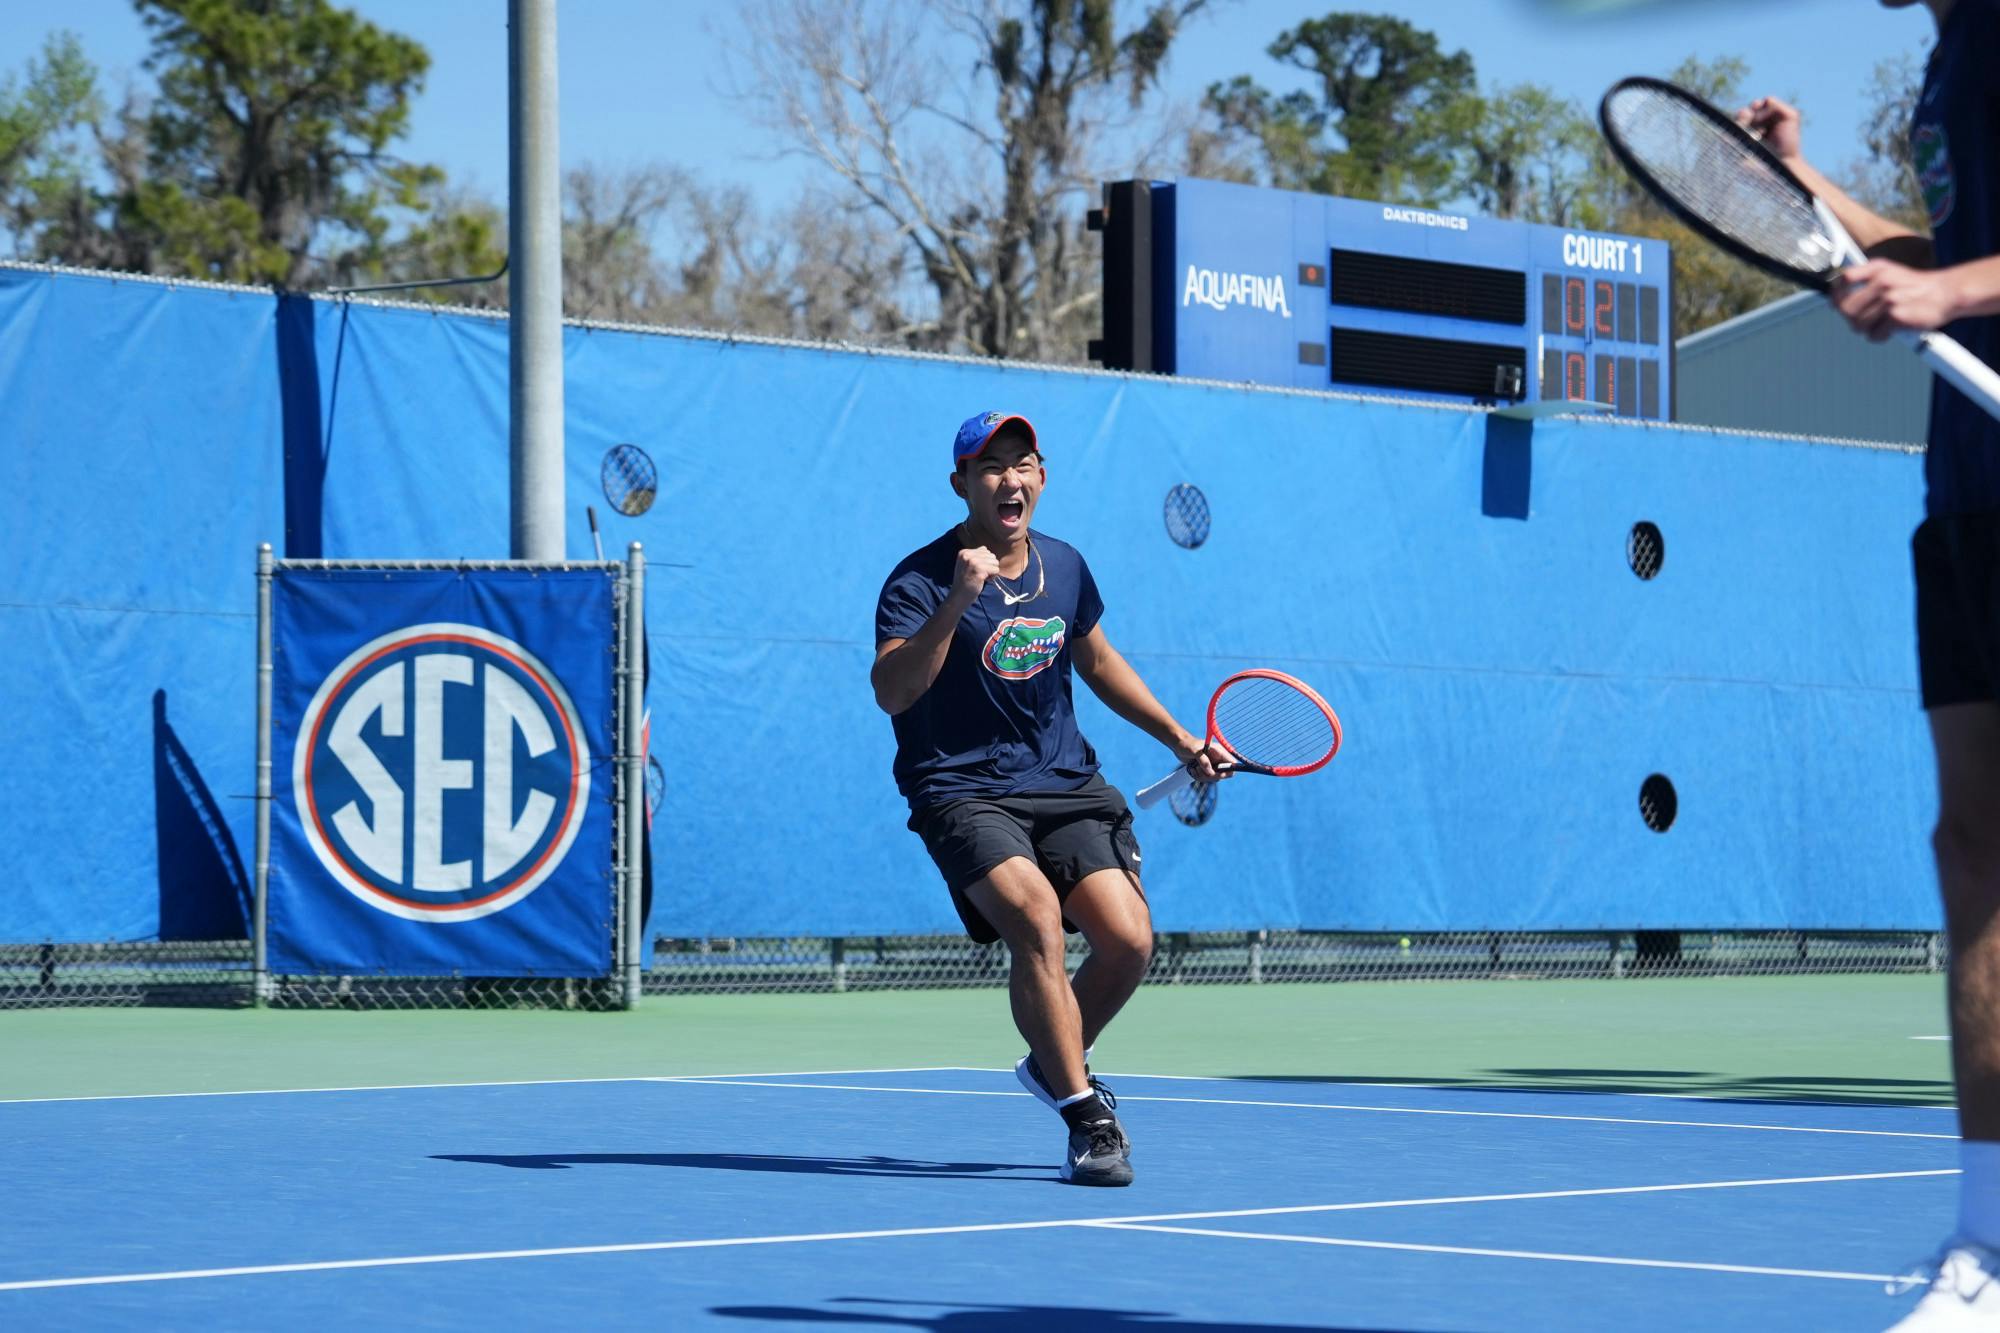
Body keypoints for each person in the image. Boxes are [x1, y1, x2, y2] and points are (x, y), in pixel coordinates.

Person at [1742, 2, 2000, 1323]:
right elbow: (1939, 250)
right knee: (1975, 852)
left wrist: (1952, 291)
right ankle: (1989, 1248)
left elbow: (1959, 275)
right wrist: (1811, 200)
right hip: (1966, 486)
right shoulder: (1951, 56)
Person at [871, 410, 1225, 1187]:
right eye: (991, 466)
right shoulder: (918, 580)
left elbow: (1097, 662)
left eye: (1023, 463)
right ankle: (1085, 1114)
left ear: (1042, 474)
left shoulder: (1064, 567)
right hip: (960, 788)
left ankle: (1049, 1061)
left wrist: (1179, 739)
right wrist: (957, 603)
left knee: (1129, 939)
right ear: (961, 483)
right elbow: (892, 691)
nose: (1010, 478)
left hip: (1064, 783)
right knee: (1034, 917)